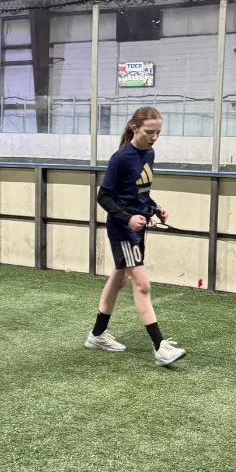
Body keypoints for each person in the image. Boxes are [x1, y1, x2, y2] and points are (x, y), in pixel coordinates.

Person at [85, 106, 186, 367]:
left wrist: (155, 208)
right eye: (149, 132)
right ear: (134, 128)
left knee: (118, 280)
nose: (154, 137)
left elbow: (139, 192)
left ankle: (97, 335)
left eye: (158, 133)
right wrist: (128, 218)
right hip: (124, 231)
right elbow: (103, 197)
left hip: (138, 228)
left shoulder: (148, 153)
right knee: (142, 285)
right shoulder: (121, 158)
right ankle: (159, 346)